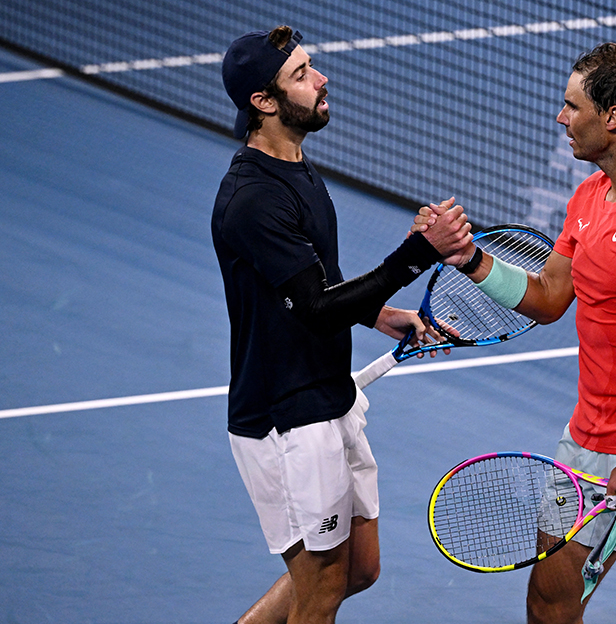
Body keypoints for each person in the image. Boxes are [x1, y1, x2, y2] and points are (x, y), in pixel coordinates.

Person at [415, 43, 616, 623]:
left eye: (572, 105)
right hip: (584, 443)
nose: (562, 118)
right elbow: (550, 298)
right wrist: (469, 259)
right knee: (550, 604)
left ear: (612, 117)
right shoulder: (587, 197)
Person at [211, 26, 472, 624]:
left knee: (358, 569)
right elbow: (315, 307)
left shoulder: (296, 168)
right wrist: (417, 254)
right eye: (302, 74)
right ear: (264, 103)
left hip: (328, 395)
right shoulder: (253, 198)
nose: (321, 77)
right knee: (322, 587)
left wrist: (381, 313)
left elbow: (313, 285)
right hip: (285, 417)